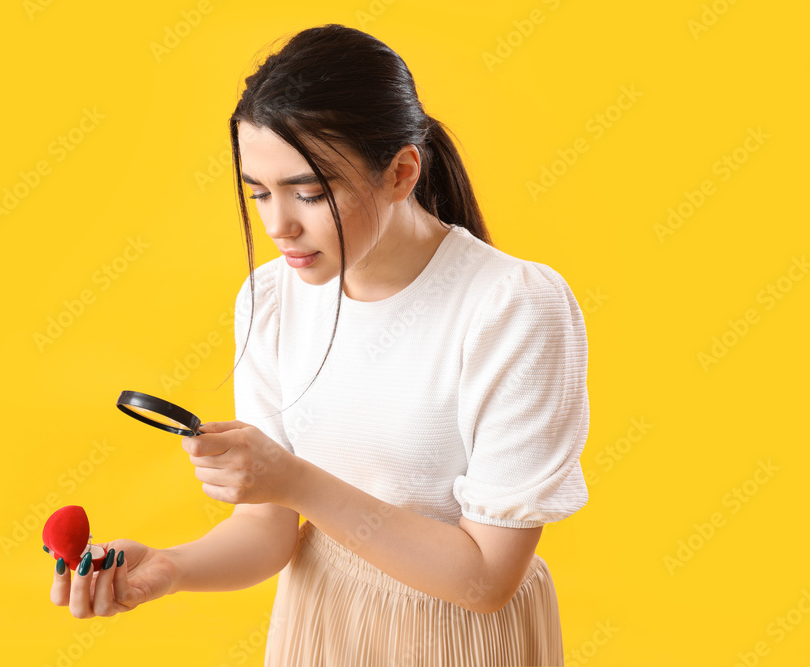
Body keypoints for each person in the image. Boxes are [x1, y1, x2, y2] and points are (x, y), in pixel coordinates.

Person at [48, 23, 589, 666]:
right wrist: (169, 567)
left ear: (400, 172)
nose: (278, 225)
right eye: (258, 193)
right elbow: (267, 529)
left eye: (309, 192)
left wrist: (296, 482)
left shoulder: (513, 306)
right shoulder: (270, 300)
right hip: (318, 627)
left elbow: (486, 580)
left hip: (463, 642)